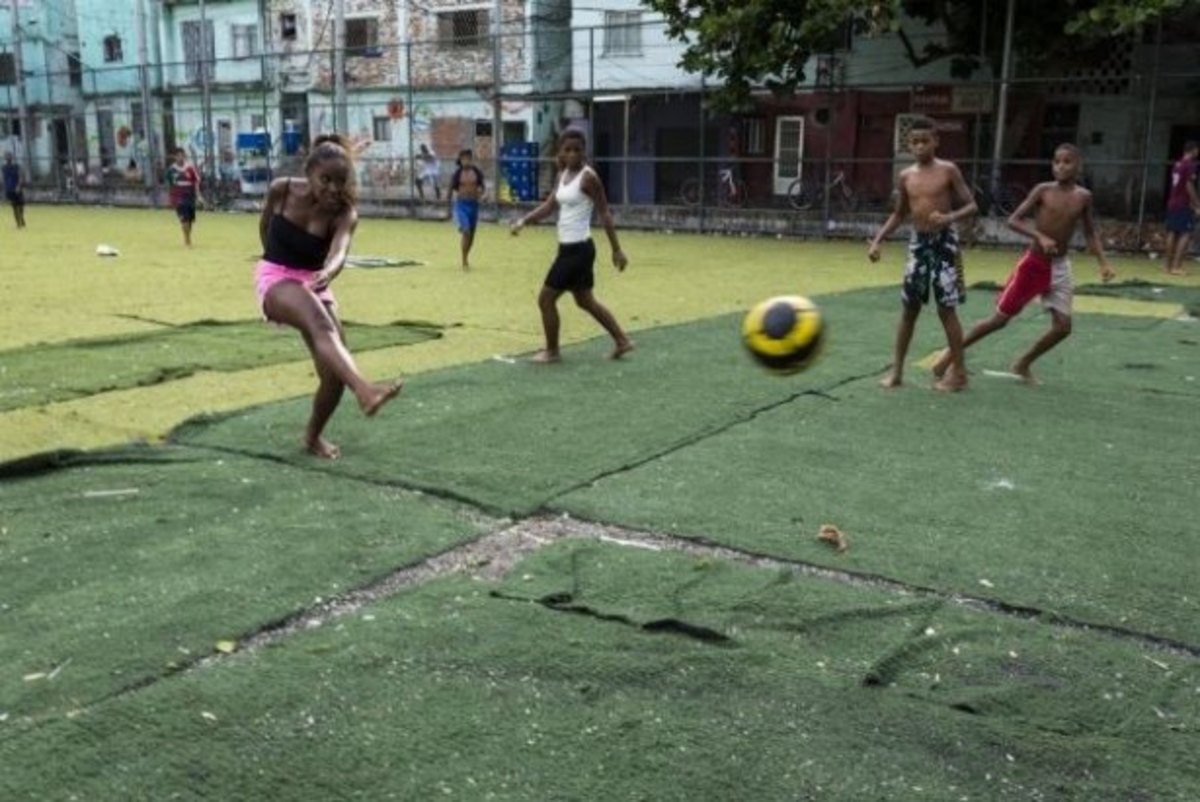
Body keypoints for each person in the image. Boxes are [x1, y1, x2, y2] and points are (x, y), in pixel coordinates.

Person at [254, 133, 403, 459]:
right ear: (308, 174)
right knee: (322, 325)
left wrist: (328, 273)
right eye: (326, 180)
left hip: (316, 282)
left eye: (341, 181)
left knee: (333, 372)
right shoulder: (281, 190)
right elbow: (265, 227)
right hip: (275, 277)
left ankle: (312, 436)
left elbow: (339, 252)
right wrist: (275, 259)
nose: (334, 189)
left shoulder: (344, 213)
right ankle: (365, 391)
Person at [932, 144, 1115, 385]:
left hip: (1060, 267)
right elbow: (1013, 220)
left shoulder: (1084, 197)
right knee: (999, 320)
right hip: (1033, 265)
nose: (1060, 166)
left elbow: (1090, 232)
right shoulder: (1043, 190)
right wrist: (1040, 236)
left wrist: (1103, 263)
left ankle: (1023, 363)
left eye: (1067, 161)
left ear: (1078, 166)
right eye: (1056, 161)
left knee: (1063, 327)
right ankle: (952, 355)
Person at [867, 117, 977, 391]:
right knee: (909, 308)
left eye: (924, 140)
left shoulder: (948, 170)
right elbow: (899, 213)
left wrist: (949, 216)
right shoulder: (906, 176)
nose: (919, 146)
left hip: (945, 244)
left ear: (936, 141)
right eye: (914, 141)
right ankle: (897, 372)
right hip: (918, 244)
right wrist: (878, 240)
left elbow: (972, 205)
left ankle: (959, 373)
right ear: (909, 143)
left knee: (946, 309)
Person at [509, 128, 634, 363]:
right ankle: (622, 340)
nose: (573, 154)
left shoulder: (589, 177)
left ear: (584, 151)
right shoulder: (563, 174)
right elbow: (549, 206)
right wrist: (523, 221)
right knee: (585, 300)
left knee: (545, 299)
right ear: (561, 152)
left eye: (578, 149)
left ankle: (552, 351)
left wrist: (617, 249)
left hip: (578, 251)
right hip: (567, 248)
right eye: (568, 149)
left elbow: (605, 213)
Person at [1164, 140, 1199, 276]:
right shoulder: (1190, 165)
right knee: (1185, 233)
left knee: (1172, 232)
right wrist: (1196, 204)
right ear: (1194, 150)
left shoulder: (1177, 164)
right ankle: (1176, 266)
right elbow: (1189, 186)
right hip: (1182, 203)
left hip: (1173, 201)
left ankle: (1168, 266)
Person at [447, 149, 485, 270]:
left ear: (471, 159)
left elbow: (482, 187)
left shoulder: (477, 172)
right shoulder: (457, 174)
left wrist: (482, 194)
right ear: (460, 160)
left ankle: (466, 256)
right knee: (467, 231)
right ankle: (464, 260)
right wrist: (447, 206)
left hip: (474, 205)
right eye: (464, 159)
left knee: (471, 236)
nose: (466, 161)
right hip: (462, 205)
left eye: (468, 158)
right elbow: (450, 189)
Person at [166, 148, 204, 246]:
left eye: (182, 155)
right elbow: (169, 185)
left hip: (190, 196)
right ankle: (187, 240)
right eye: (178, 156)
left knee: (190, 219)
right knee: (184, 219)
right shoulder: (171, 170)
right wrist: (170, 198)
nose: (180, 158)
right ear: (175, 157)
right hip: (178, 198)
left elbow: (196, 182)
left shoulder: (190, 168)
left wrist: (198, 196)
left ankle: (188, 237)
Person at [3, 152, 27, 229]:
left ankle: (21, 217)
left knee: (21, 205)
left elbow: (20, 176)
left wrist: (18, 186)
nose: (8, 159)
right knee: (14, 206)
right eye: (7, 158)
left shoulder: (16, 166)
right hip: (10, 189)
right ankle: (18, 223)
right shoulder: (4, 168)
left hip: (17, 189)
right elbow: (4, 179)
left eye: (9, 157)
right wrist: (5, 189)